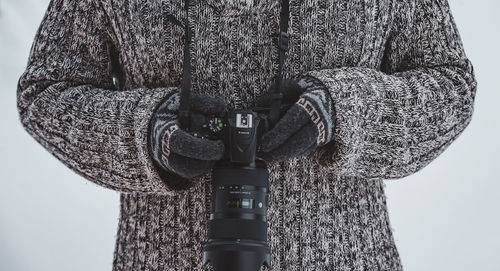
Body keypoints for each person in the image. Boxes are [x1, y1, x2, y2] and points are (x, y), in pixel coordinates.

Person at [16, 0, 477, 269]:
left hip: (347, 257)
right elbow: (46, 92)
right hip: (161, 258)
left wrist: (344, 107)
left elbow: (450, 84)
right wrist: (144, 128)